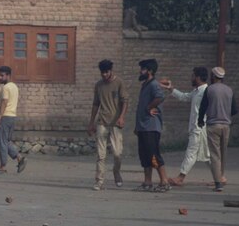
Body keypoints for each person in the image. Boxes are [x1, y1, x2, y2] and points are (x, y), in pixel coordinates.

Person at [158, 67, 210, 186]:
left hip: (199, 128)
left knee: (191, 153)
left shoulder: (206, 91)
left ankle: (181, 177)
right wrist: (171, 88)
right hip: (196, 127)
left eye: (192, 76)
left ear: (197, 77)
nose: (191, 78)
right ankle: (220, 177)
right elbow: (184, 97)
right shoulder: (197, 91)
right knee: (207, 155)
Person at [87, 59, 129, 190]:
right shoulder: (99, 85)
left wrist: (122, 117)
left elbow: (125, 101)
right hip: (102, 122)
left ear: (111, 71)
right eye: (102, 73)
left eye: (106, 72)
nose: (104, 75)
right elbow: (95, 104)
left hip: (115, 123)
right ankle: (99, 181)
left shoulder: (119, 83)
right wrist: (91, 123)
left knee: (117, 153)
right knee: (101, 154)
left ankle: (116, 172)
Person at [198, 67, 237, 192]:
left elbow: (203, 107)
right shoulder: (229, 90)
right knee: (223, 153)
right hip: (226, 126)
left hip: (212, 125)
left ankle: (218, 183)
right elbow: (234, 110)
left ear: (213, 77)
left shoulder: (209, 89)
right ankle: (222, 177)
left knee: (215, 155)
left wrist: (200, 121)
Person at [134, 59, 169, 192]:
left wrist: (150, 107)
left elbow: (160, 97)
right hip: (143, 127)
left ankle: (164, 182)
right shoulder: (145, 85)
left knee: (153, 155)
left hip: (151, 127)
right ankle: (147, 182)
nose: (140, 71)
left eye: (142, 69)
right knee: (144, 155)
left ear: (150, 71)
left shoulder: (154, 84)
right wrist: (137, 126)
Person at [0, 66, 27, 175]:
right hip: (12, 116)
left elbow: (4, 102)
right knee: (6, 141)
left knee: (2, 142)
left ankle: (2, 167)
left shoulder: (6, 88)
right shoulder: (15, 87)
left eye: (2, 75)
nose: (0, 77)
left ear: (8, 76)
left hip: (5, 117)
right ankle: (19, 158)